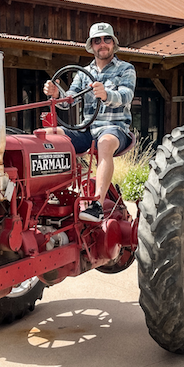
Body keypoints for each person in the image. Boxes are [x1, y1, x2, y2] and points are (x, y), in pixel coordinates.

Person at [43, 22, 136, 222]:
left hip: (115, 128)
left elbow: (127, 96)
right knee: (48, 136)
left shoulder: (126, 69)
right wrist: (56, 93)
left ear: (113, 43)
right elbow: (69, 100)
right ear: (91, 46)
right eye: (97, 41)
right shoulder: (83, 73)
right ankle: (47, 196)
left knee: (104, 142)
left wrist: (106, 94)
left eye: (106, 39)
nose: (102, 44)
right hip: (87, 130)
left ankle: (97, 205)